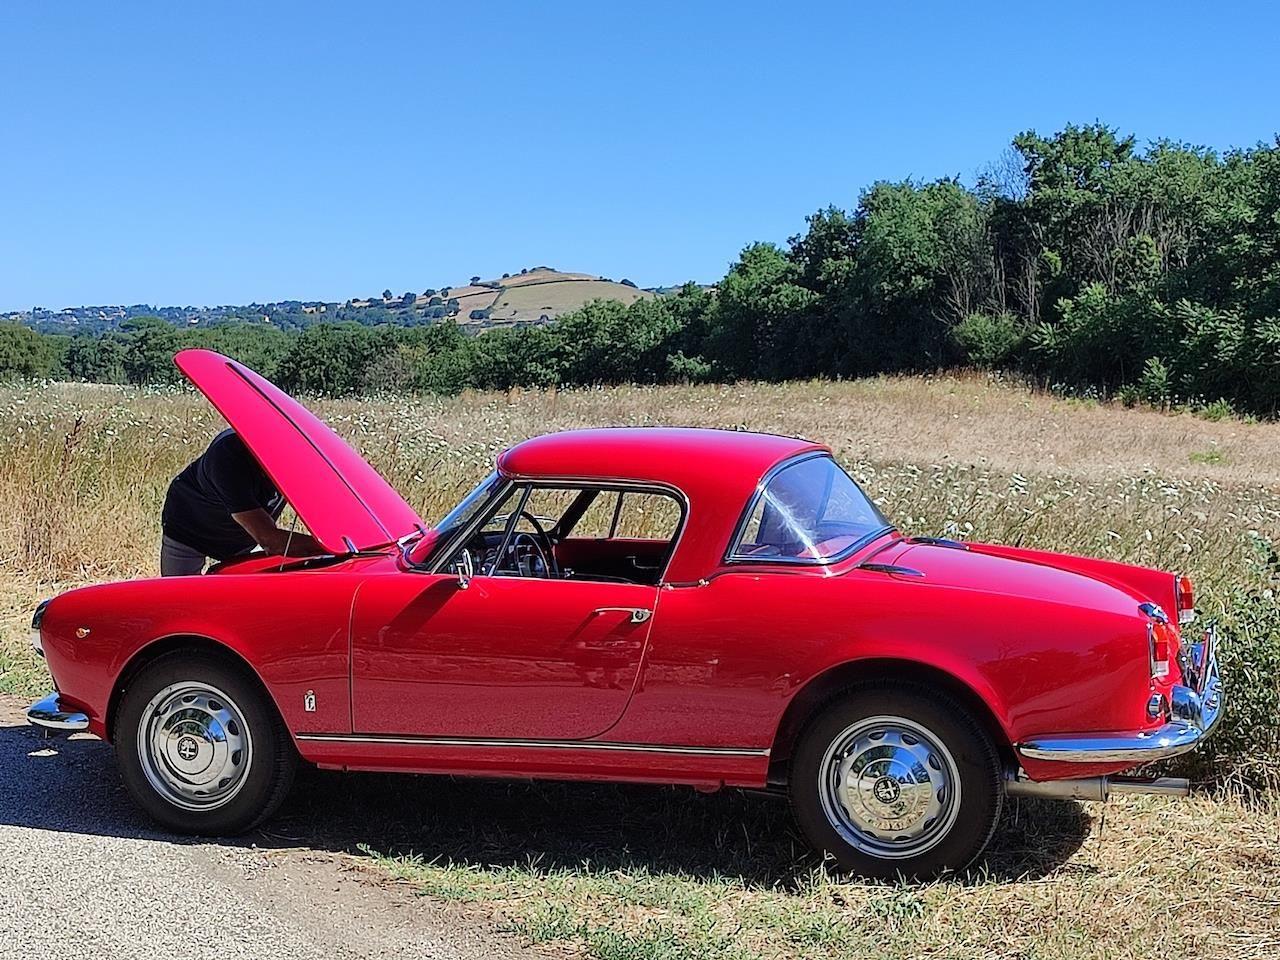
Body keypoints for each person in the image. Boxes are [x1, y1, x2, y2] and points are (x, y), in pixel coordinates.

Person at [160, 428, 325, 576]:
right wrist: (329, 549)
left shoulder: (299, 457)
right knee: (177, 601)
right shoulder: (227, 457)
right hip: (190, 527)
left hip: (242, 538)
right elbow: (270, 540)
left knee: (242, 600)